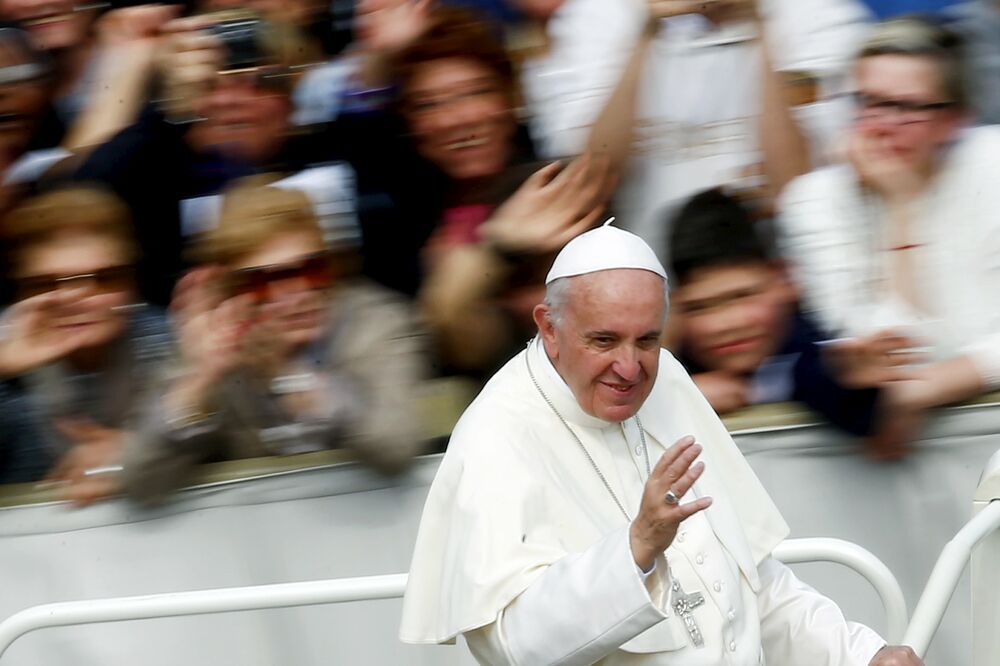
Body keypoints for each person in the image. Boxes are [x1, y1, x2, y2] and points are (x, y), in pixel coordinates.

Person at [400, 223, 921, 665]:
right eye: (603, 340)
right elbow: (510, 644)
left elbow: (748, 584)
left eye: (647, 339)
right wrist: (636, 548)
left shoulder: (666, 378)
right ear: (549, 327)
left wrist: (858, 653)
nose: (630, 368)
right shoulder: (497, 431)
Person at [124, 181, 430, 504]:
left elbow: (396, 447)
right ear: (232, 289)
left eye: (311, 269)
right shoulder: (210, 341)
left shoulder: (375, 322)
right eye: (266, 280)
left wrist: (289, 377)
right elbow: (140, 484)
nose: (296, 294)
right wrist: (202, 379)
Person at [778, 16, 1000, 457]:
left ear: (955, 119)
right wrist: (901, 205)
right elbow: (892, 363)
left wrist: (933, 386)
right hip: (914, 464)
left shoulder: (992, 165)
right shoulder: (815, 201)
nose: (880, 125)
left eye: (906, 107)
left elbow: (909, 387)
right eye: (869, 102)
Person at [523, 0, 871, 258]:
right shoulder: (593, 15)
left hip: (774, 282)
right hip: (641, 279)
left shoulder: (820, 13)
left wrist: (757, 24)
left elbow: (795, 190)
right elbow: (591, 180)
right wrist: (647, 31)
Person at [0, 186, 172, 504]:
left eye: (103, 278)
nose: (75, 298)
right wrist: (5, 365)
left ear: (131, 283)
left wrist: (139, 447)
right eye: (47, 284)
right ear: (21, 292)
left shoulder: (168, 339)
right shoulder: (4, 343)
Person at [668, 188, 881, 435]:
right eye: (699, 307)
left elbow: (825, 381)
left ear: (784, 279)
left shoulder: (810, 348)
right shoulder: (669, 372)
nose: (724, 324)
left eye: (742, 296)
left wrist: (850, 380)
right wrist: (675, 397)